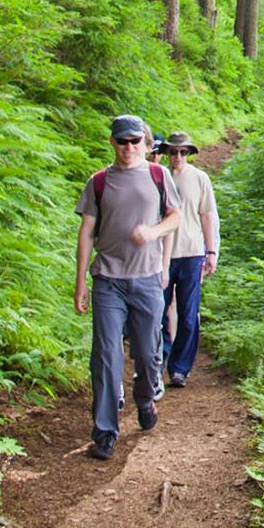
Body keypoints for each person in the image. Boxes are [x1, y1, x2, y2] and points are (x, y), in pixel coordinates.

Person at [75, 115, 182, 461]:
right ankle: (105, 432)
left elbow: (175, 216)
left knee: (148, 353)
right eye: (122, 141)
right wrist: (80, 281)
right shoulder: (98, 182)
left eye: (135, 141)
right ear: (113, 142)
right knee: (106, 355)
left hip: (147, 279)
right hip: (108, 281)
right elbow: (86, 233)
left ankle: (145, 397)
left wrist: (152, 233)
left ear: (144, 143)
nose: (129, 147)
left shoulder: (158, 175)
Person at [156, 131, 219, 387]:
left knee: (188, 313)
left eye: (183, 152)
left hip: (192, 253)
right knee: (158, 312)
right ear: (167, 153)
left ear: (189, 153)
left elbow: (207, 215)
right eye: (173, 152)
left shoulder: (200, 178)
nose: (178, 156)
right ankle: (159, 360)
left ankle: (180, 368)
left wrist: (211, 251)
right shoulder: (158, 176)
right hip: (161, 255)